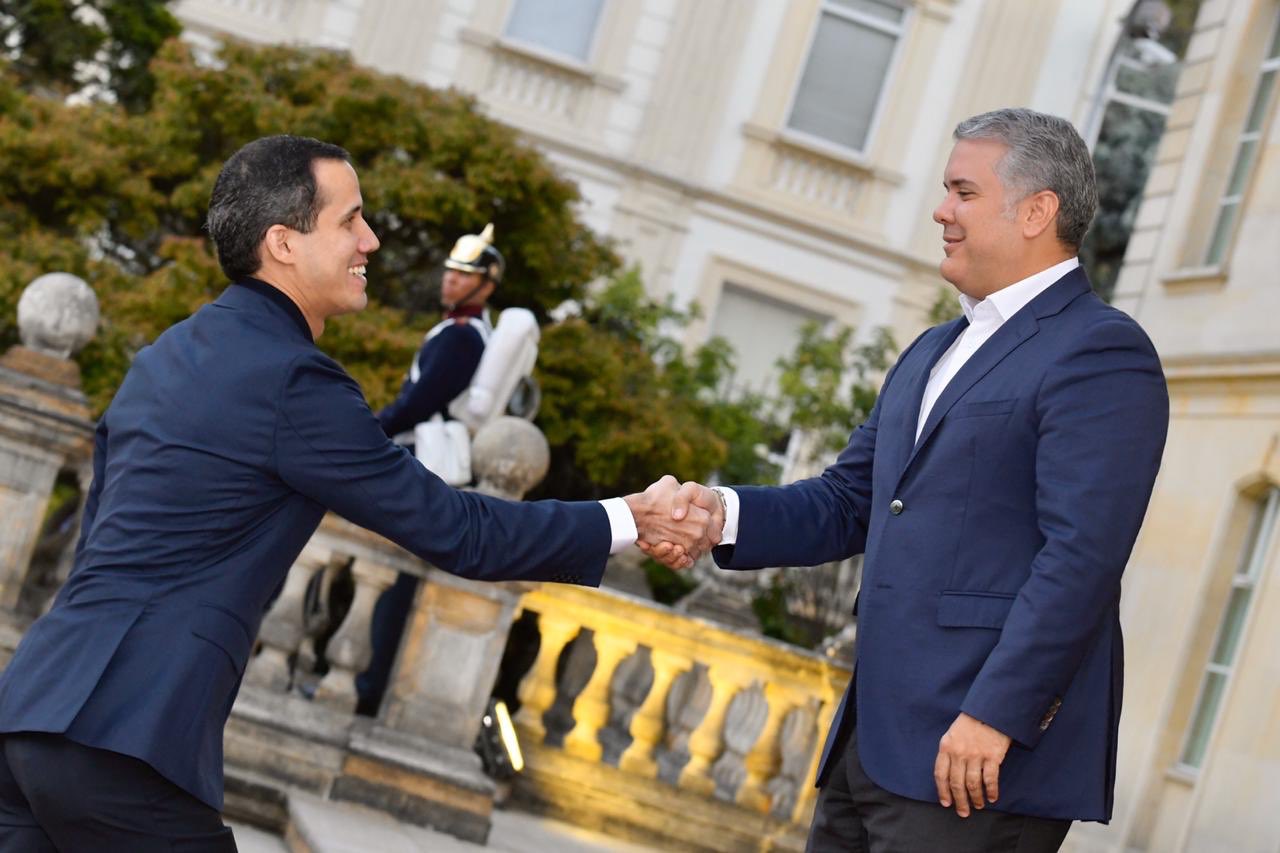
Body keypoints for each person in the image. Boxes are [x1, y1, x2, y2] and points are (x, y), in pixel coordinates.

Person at [0, 135, 720, 853]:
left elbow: (96, 534)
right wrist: (629, 517)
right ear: (282, 243)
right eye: (350, 220)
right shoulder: (295, 383)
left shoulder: (165, 354)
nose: (370, 240)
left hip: (32, 708)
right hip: (126, 741)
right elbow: (461, 531)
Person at [646, 108, 1169, 852]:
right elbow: (848, 500)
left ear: (1037, 210)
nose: (941, 210)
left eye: (962, 191)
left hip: (978, 763)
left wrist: (997, 713)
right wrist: (718, 515)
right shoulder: (933, 347)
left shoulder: (1102, 352)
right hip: (872, 743)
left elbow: (1082, 557)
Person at [356, 223, 503, 715]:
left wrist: (370, 429)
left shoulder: (463, 337)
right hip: (423, 446)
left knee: (397, 575)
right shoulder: (459, 330)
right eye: (450, 272)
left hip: (424, 451)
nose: (451, 282)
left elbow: (420, 401)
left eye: (464, 276)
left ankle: (370, 685)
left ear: (486, 284)